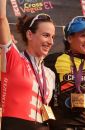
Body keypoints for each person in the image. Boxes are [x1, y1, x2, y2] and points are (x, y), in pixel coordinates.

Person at [0, 0, 56, 129]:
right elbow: (1, 18)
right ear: (30, 34)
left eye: (53, 37)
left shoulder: (50, 74)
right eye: (46, 35)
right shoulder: (13, 57)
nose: (51, 42)